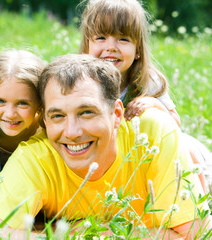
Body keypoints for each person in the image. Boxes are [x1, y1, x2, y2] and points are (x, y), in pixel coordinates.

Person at [0, 54, 209, 239]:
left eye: (86, 113)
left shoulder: (154, 131)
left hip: (198, 161)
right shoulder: (34, 157)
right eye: (57, 116)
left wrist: (100, 233)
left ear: (116, 114)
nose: (72, 133)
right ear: (44, 120)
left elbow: (197, 234)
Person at [78, 0, 211, 189]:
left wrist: (154, 104)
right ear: (87, 45)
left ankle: (199, 204)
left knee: (186, 151)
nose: (111, 47)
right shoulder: (80, 82)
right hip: (124, 163)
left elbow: (175, 124)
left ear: (138, 50)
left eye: (123, 39)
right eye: (100, 37)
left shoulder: (146, 80)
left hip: (192, 162)